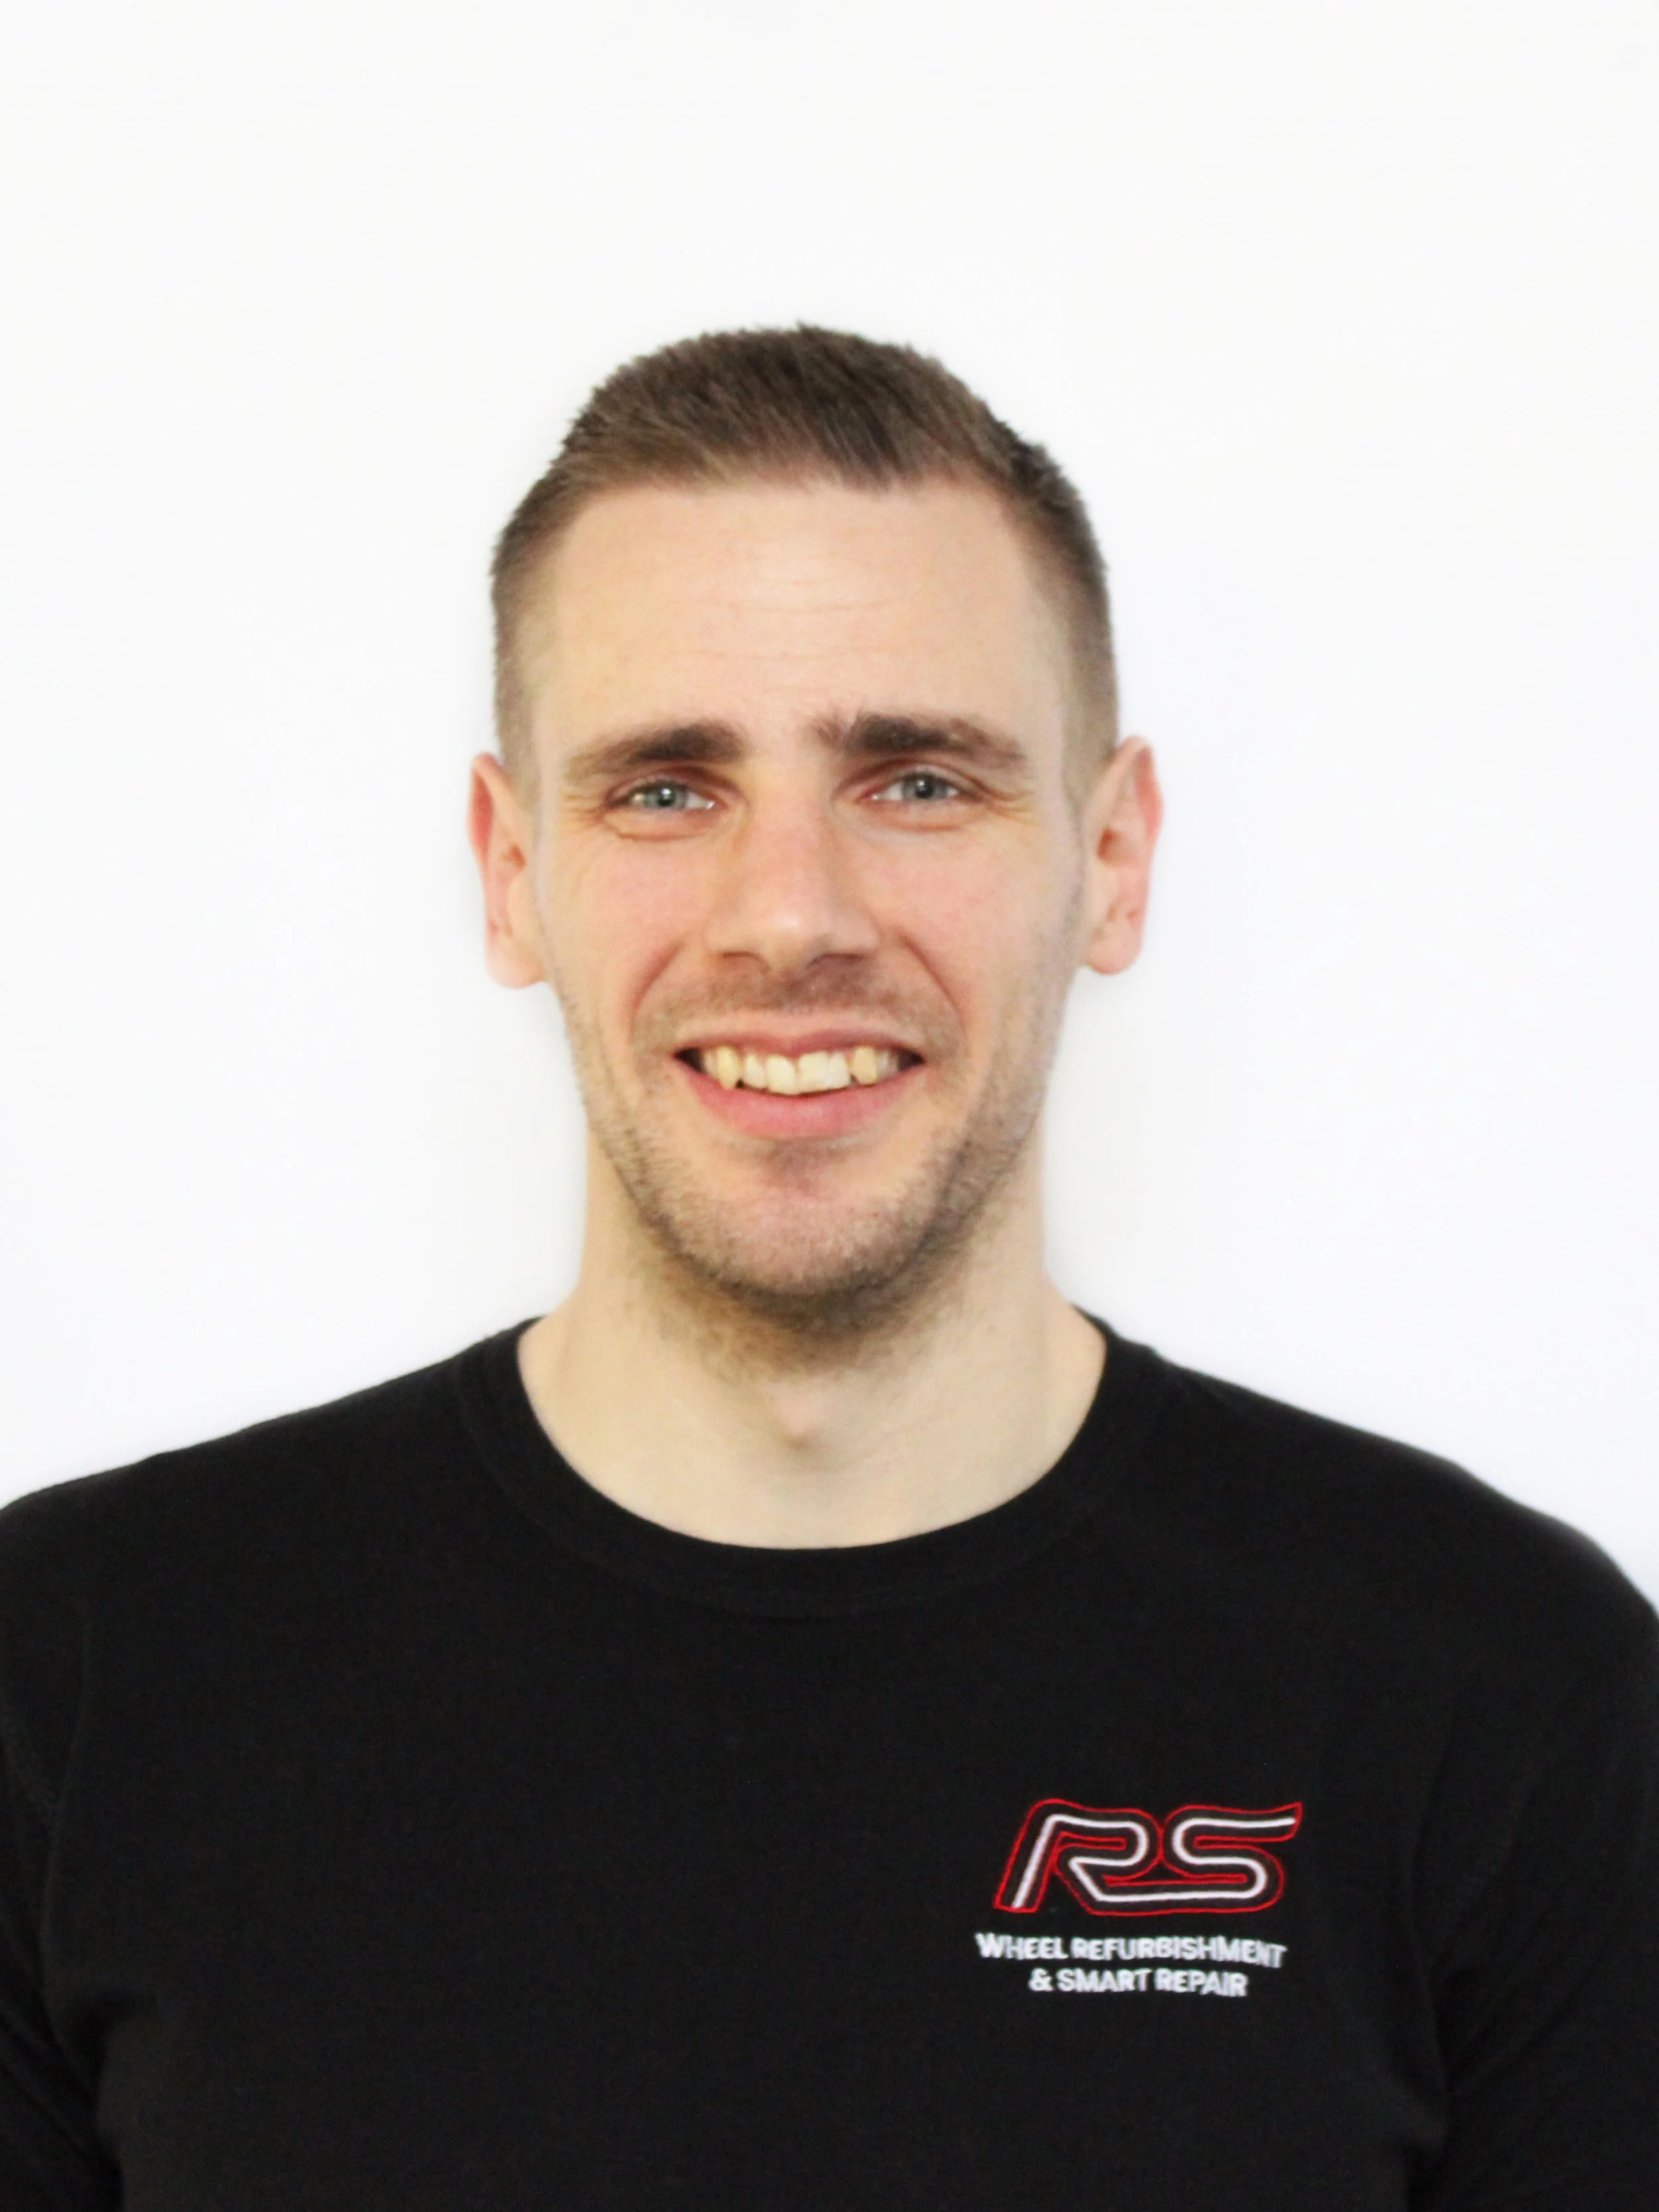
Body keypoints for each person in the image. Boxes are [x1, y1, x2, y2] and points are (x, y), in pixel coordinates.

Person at [0, 328, 1653, 2212]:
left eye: (921, 781)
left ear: (1109, 858)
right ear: (508, 865)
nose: (791, 913)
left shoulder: (1499, 1693)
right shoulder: (85, 1676)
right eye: (663, 789)